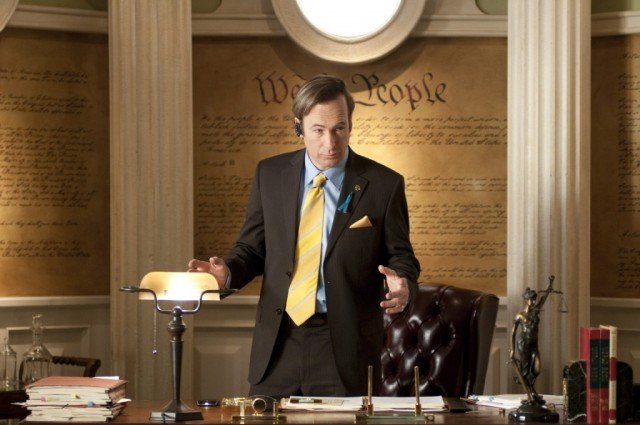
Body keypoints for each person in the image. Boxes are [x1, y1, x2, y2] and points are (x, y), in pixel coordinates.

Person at [188, 75, 420, 397]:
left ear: (350, 124)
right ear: (299, 127)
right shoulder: (270, 174)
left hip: (344, 349)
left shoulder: (384, 184)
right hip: (277, 344)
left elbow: (401, 256)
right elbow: (252, 249)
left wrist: (403, 284)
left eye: (339, 128)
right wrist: (226, 273)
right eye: (318, 130)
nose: (331, 143)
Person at [509, 276, 556, 404]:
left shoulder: (535, 312)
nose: (533, 301)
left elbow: (543, 299)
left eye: (534, 299)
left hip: (534, 343)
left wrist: (549, 286)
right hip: (524, 344)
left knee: (536, 368)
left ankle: (531, 391)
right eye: (531, 299)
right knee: (525, 370)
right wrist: (512, 350)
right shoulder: (520, 315)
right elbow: (513, 333)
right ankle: (530, 395)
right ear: (526, 300)